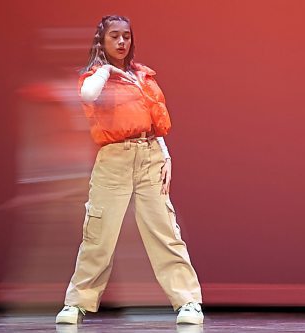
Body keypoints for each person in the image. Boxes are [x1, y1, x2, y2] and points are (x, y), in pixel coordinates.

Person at [55, 15, 203, 325]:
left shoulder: (142, 76)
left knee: (165, 231)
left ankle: (188, 302)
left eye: (126, 36)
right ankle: (76, 303)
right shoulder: (96, 76)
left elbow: (153, 121)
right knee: (98, 235)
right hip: (114, 160)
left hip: (149, 157)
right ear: (102, 41)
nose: (122, 42)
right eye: (115, 37)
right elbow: (87, 96)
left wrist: (166, 156)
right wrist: (107, 69)